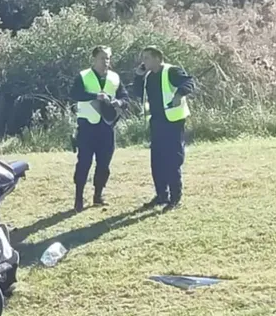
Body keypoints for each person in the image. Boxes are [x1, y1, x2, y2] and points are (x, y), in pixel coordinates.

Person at [134, 46, 195, 210]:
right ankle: (161, 195)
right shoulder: (147, 76)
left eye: (146, 58)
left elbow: (189, 82)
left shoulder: (171, 71)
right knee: (157, 161)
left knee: (172, 160)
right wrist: (138, 77)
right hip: (156, 121)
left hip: (173, 122)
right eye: (143, 58)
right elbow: (138, 93)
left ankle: (175, 198)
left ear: (157, 58)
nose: (143, 62)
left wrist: (179, 94)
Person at [70, 45, 129, 212]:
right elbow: (74, 94)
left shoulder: (115, 77)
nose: (106, 61)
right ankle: (79, 198)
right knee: (84, 162)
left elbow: (125, 97)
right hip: (87, 125)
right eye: (103, 58)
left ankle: (98, 195)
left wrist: (120, 102)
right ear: (94, 59)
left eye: (108, 58)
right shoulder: (83, 76)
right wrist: (95, 96)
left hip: (107, 126)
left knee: (104, 163)